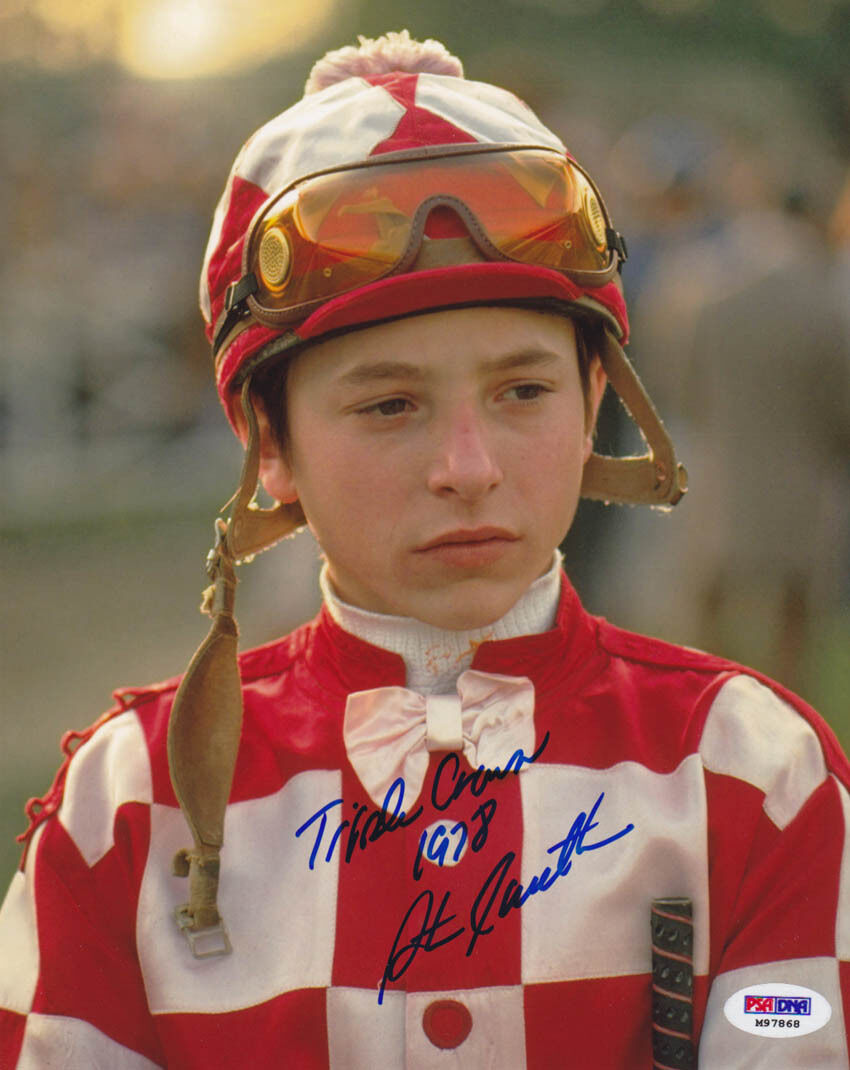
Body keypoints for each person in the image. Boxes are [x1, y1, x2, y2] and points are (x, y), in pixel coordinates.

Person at [0, 30, 847, 1069]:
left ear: (593, 407)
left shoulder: (755, 774)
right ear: (270, 444)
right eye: (390, 403)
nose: (467, 465)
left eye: (522, 391)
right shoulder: (124, 806)